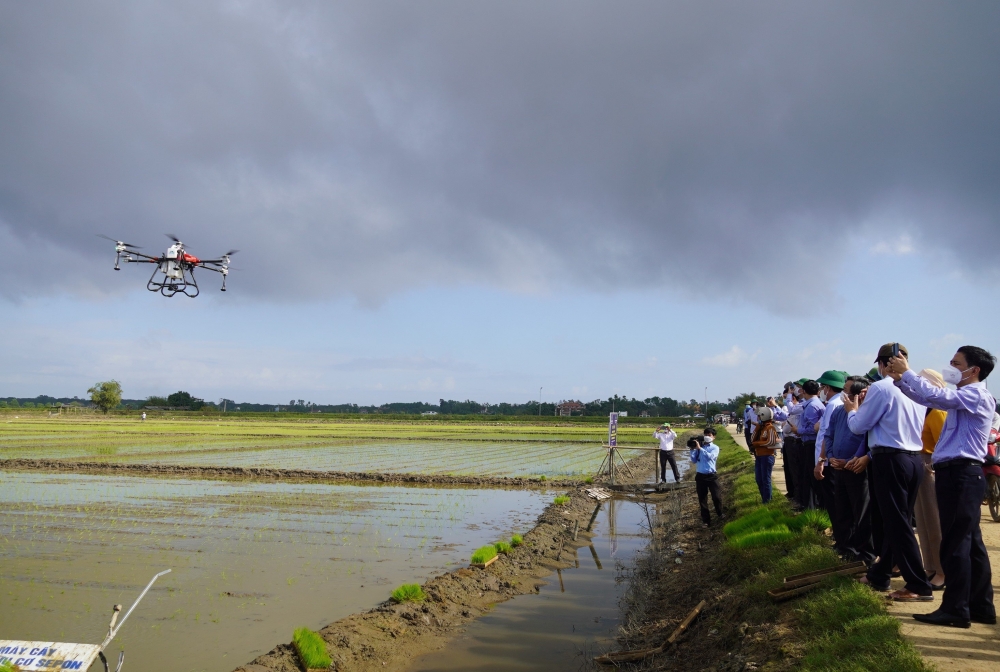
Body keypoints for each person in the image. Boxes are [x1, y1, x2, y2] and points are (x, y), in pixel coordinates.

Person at [888, 345, 997, 627]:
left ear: (973, 370)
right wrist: (901, 379)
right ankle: (979, 606)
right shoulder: (964, 397)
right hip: (961, 475)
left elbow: (937, 395)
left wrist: (907, 373)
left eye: (956, 363)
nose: (950, 367)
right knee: (970, 543)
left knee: (955, 544)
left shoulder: (973, 393)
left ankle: (955, 609)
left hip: (960, 475)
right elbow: (927, 397)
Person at [844, 343, 932, 602]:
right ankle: (880, 574)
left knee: (897, 524)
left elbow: (859, 427)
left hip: (890, 459)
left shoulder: (882, 387)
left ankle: (918, 584)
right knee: (899, 520)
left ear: (882, 364)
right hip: (913, 459)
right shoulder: (915, 384)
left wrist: (852, 411)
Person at [826, 376, 874, 564]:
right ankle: (846, 548)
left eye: (848, 392)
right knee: (843, 510)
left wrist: (849, 461)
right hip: (838, 467)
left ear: (860, 395)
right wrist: (830, 456)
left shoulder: (867, 413)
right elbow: (829, 435)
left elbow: (868, 441)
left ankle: (864, 553)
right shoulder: (838, 411)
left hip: (856, 468)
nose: (844, 396)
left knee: (861, 512)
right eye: (844, 391)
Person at [911, 369, 947, 591]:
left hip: (931, 465)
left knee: (935, 521)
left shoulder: (938, 411)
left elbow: (943, 444)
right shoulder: (924, 409)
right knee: (923, 521)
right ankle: (930, 566)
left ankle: (943, 571)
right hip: (920, 463)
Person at [814, 371, 847, 514]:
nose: (821, 390)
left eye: (822, 387)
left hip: (828, 460)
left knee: (833, 499)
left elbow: (828, 435)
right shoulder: (838, 402)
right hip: (832, 458)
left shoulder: (833, 405)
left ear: (828, 387)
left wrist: (821, 460)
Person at [796, 380, 825, 509]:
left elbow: (813, 428)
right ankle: (810, 506)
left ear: (803, 391)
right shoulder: (813, 404)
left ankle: (814, 507)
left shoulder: (812, 406)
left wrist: (798, 431)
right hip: (811, 443)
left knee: (811, 477)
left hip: (811, 443)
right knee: (808, 476)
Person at [689, 428, 723, 527]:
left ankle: (720, 513)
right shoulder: (699, 447)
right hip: (700, 476)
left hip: (712, 476)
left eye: (710, 435)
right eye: (706, 434)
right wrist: (692, 449)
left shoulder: (715, 447)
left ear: (714, 437)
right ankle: (706, 521)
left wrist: (700, 448)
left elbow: (711, 457)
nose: (707, 436)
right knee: (702, 499)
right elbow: (694, 460)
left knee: (716, 496)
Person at [752, 404, 782, 503]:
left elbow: (771, 442)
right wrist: (757, 428)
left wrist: (758, 444)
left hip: (767, 456)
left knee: (765, 479)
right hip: (759, 456)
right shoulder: (761, 427)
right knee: (759, 479)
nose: (758, 418)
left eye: (759, 416)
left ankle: (767, 501)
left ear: (764, 415)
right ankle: (764, 498)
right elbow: (752, 440)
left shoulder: (770, 428)